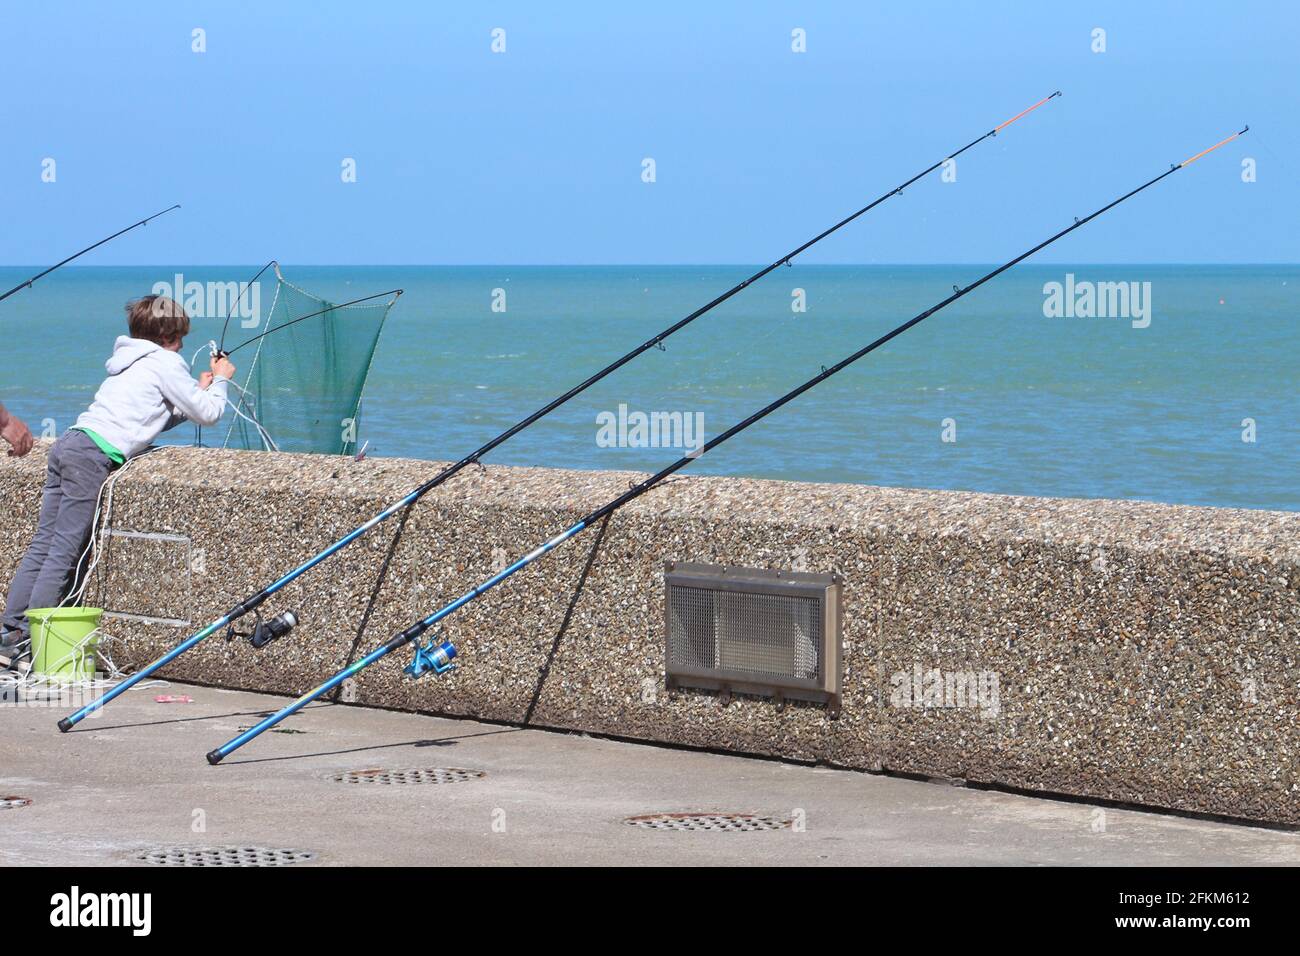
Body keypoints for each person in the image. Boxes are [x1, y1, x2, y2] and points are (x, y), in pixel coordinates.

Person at [0, 295, 235, 670]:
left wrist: (198, 390)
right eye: (181, 338)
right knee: (64, 548)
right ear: (172, 335)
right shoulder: (166, 362)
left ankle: (9, 631)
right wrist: (220, 383)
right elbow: (208, 415)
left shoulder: (129, 361)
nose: (184, 346)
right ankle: (32, 636)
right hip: (93, 456)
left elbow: (150, 415)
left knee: (43, 542)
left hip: (70, 443)